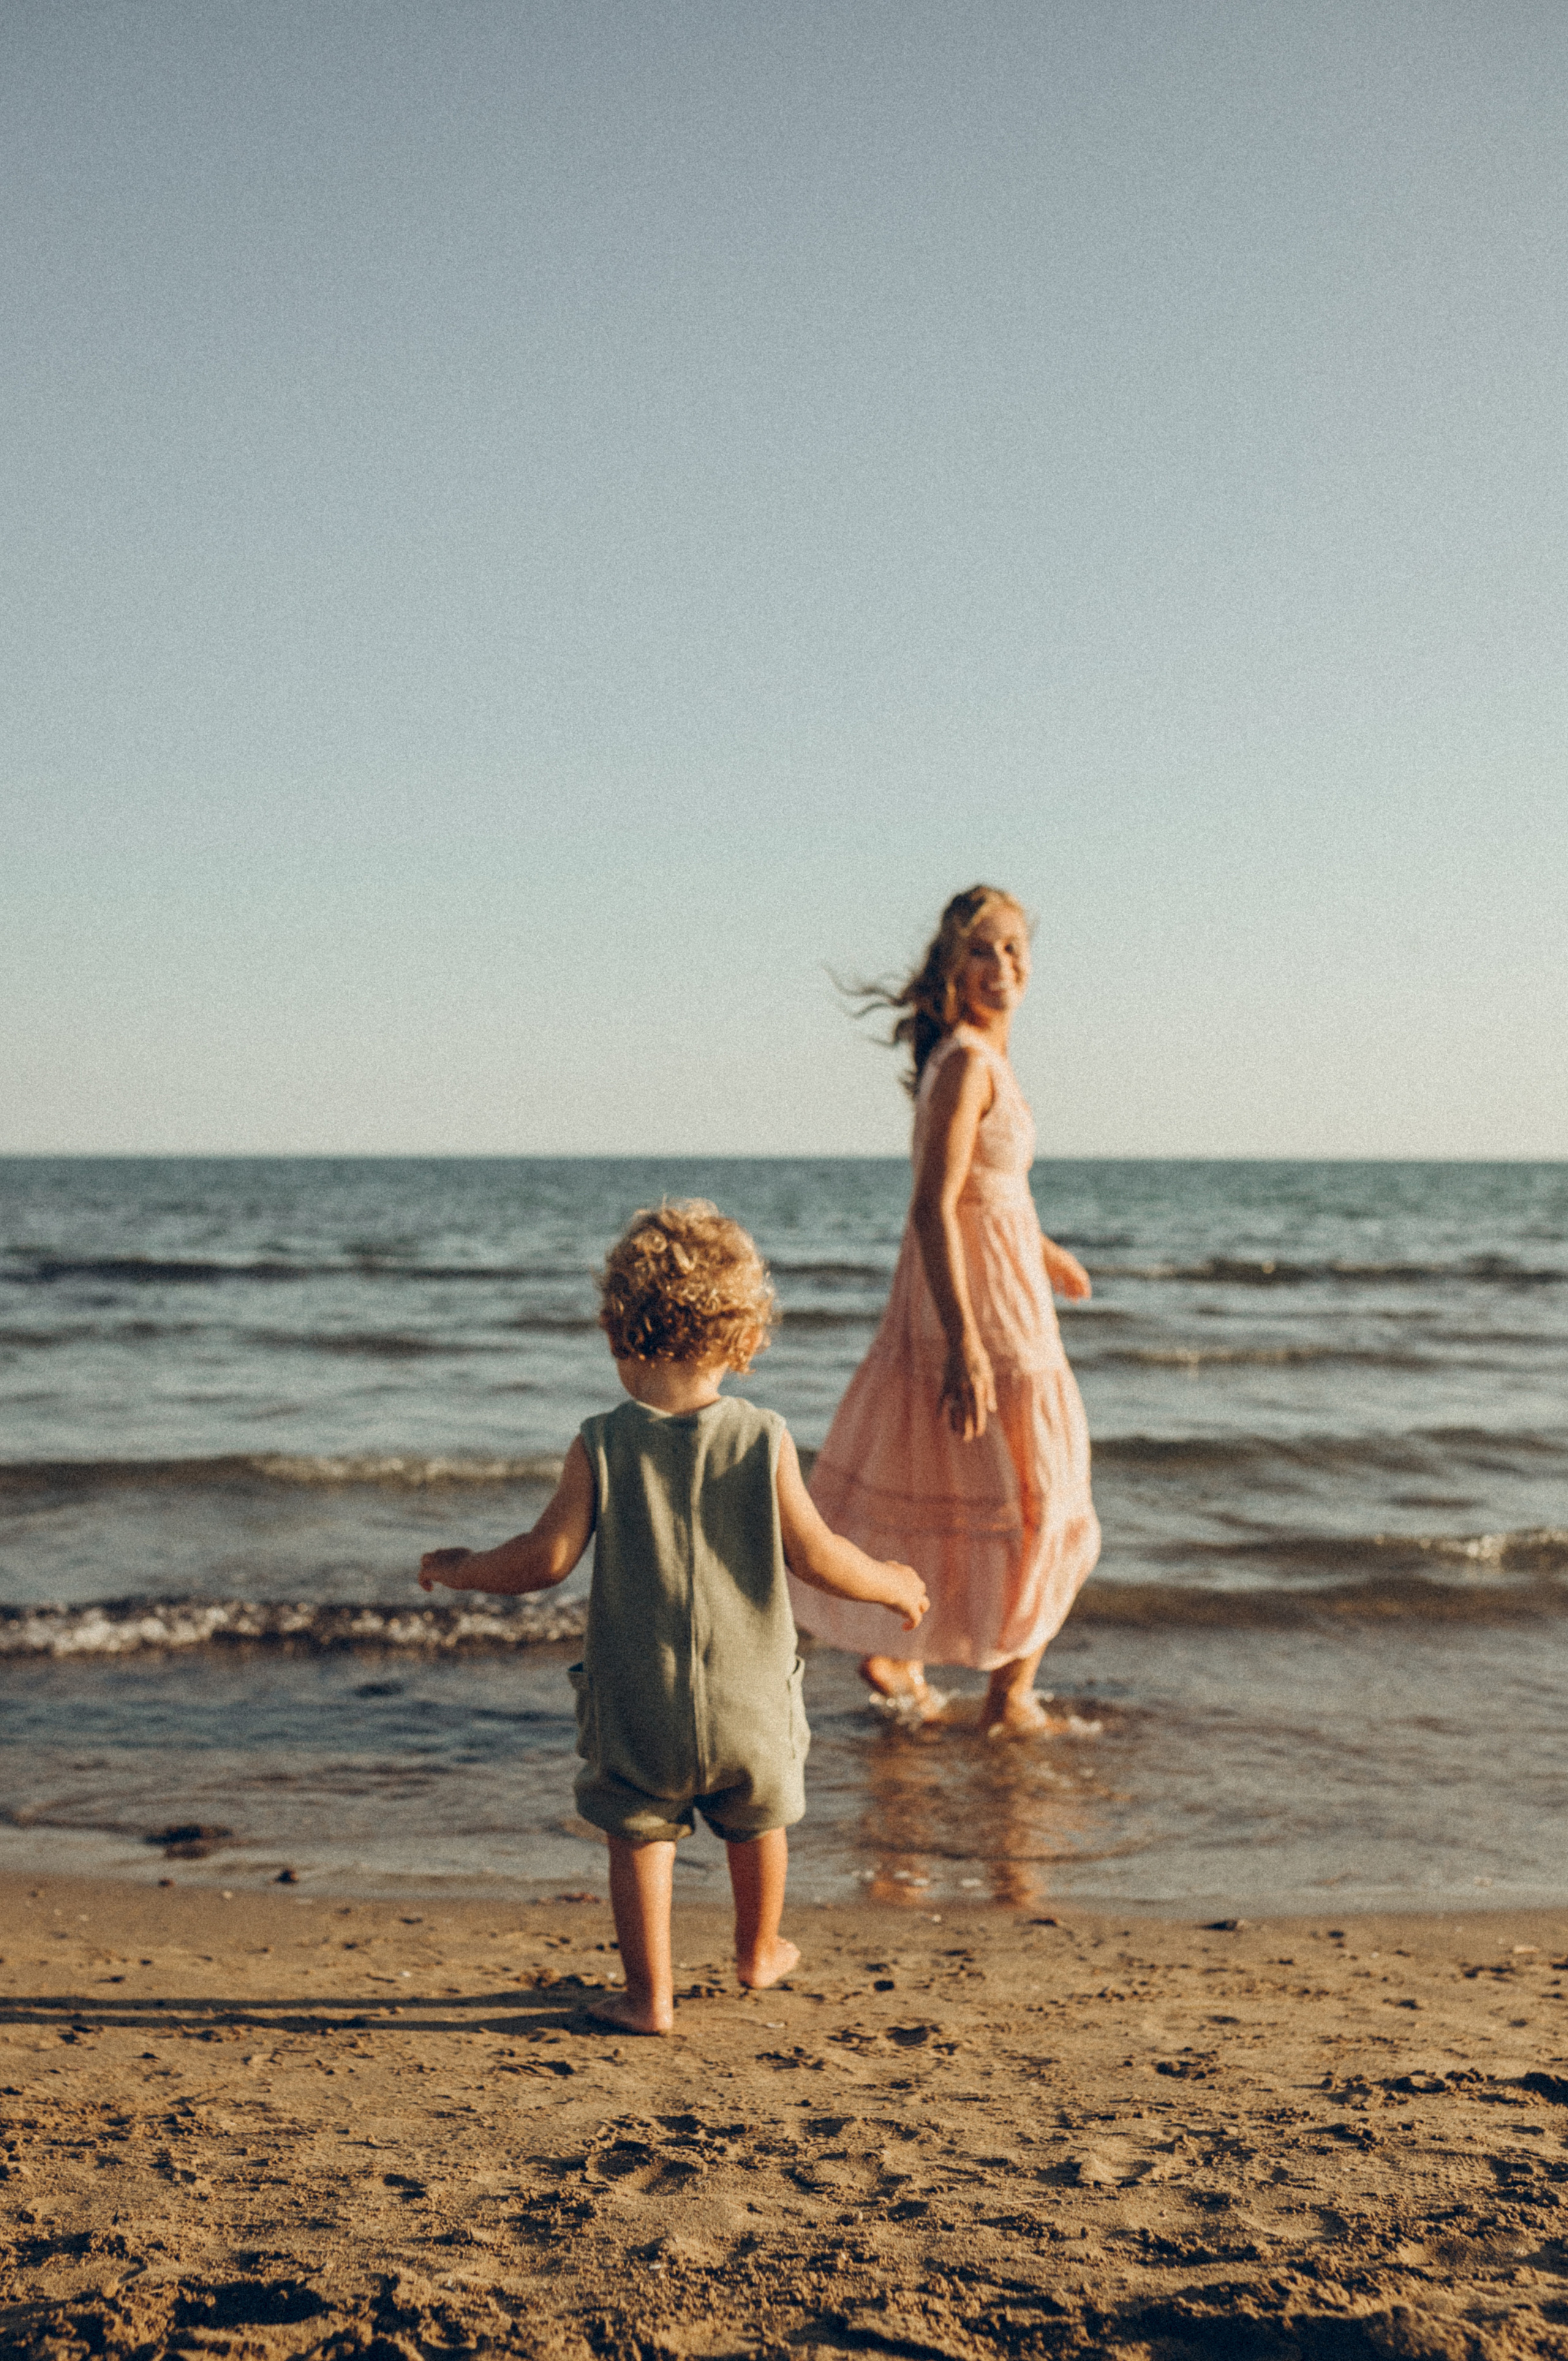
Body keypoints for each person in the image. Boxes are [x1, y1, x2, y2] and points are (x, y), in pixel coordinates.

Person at [418, 1199, 927, 2036]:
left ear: (618, 1332)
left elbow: (544, 1561)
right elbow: (818, 1555)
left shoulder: (601, 1443)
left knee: (639, 1833)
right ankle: (758, 1950)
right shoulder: (764, 1438)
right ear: (745, 1338)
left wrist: (463, 1566)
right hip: (751, 1699)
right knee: (758, 1820)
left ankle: (648, 1997)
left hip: (638, 1698)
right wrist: (893, 1584)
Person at [790, 885, 1100, 1736]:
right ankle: (1009, 1700)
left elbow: (986, 1193)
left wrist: (1045, 1251)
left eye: (1013, 947)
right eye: (982, 950)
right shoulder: (966, 1062)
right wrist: (965, 1343)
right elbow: (933, 1205)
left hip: (999, 1283)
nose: (1002, 965)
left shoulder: (975, 1058)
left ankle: (903, 1659)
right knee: (1046, 1495)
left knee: (957, 1481)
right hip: (983, 1308)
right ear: (953, 969)